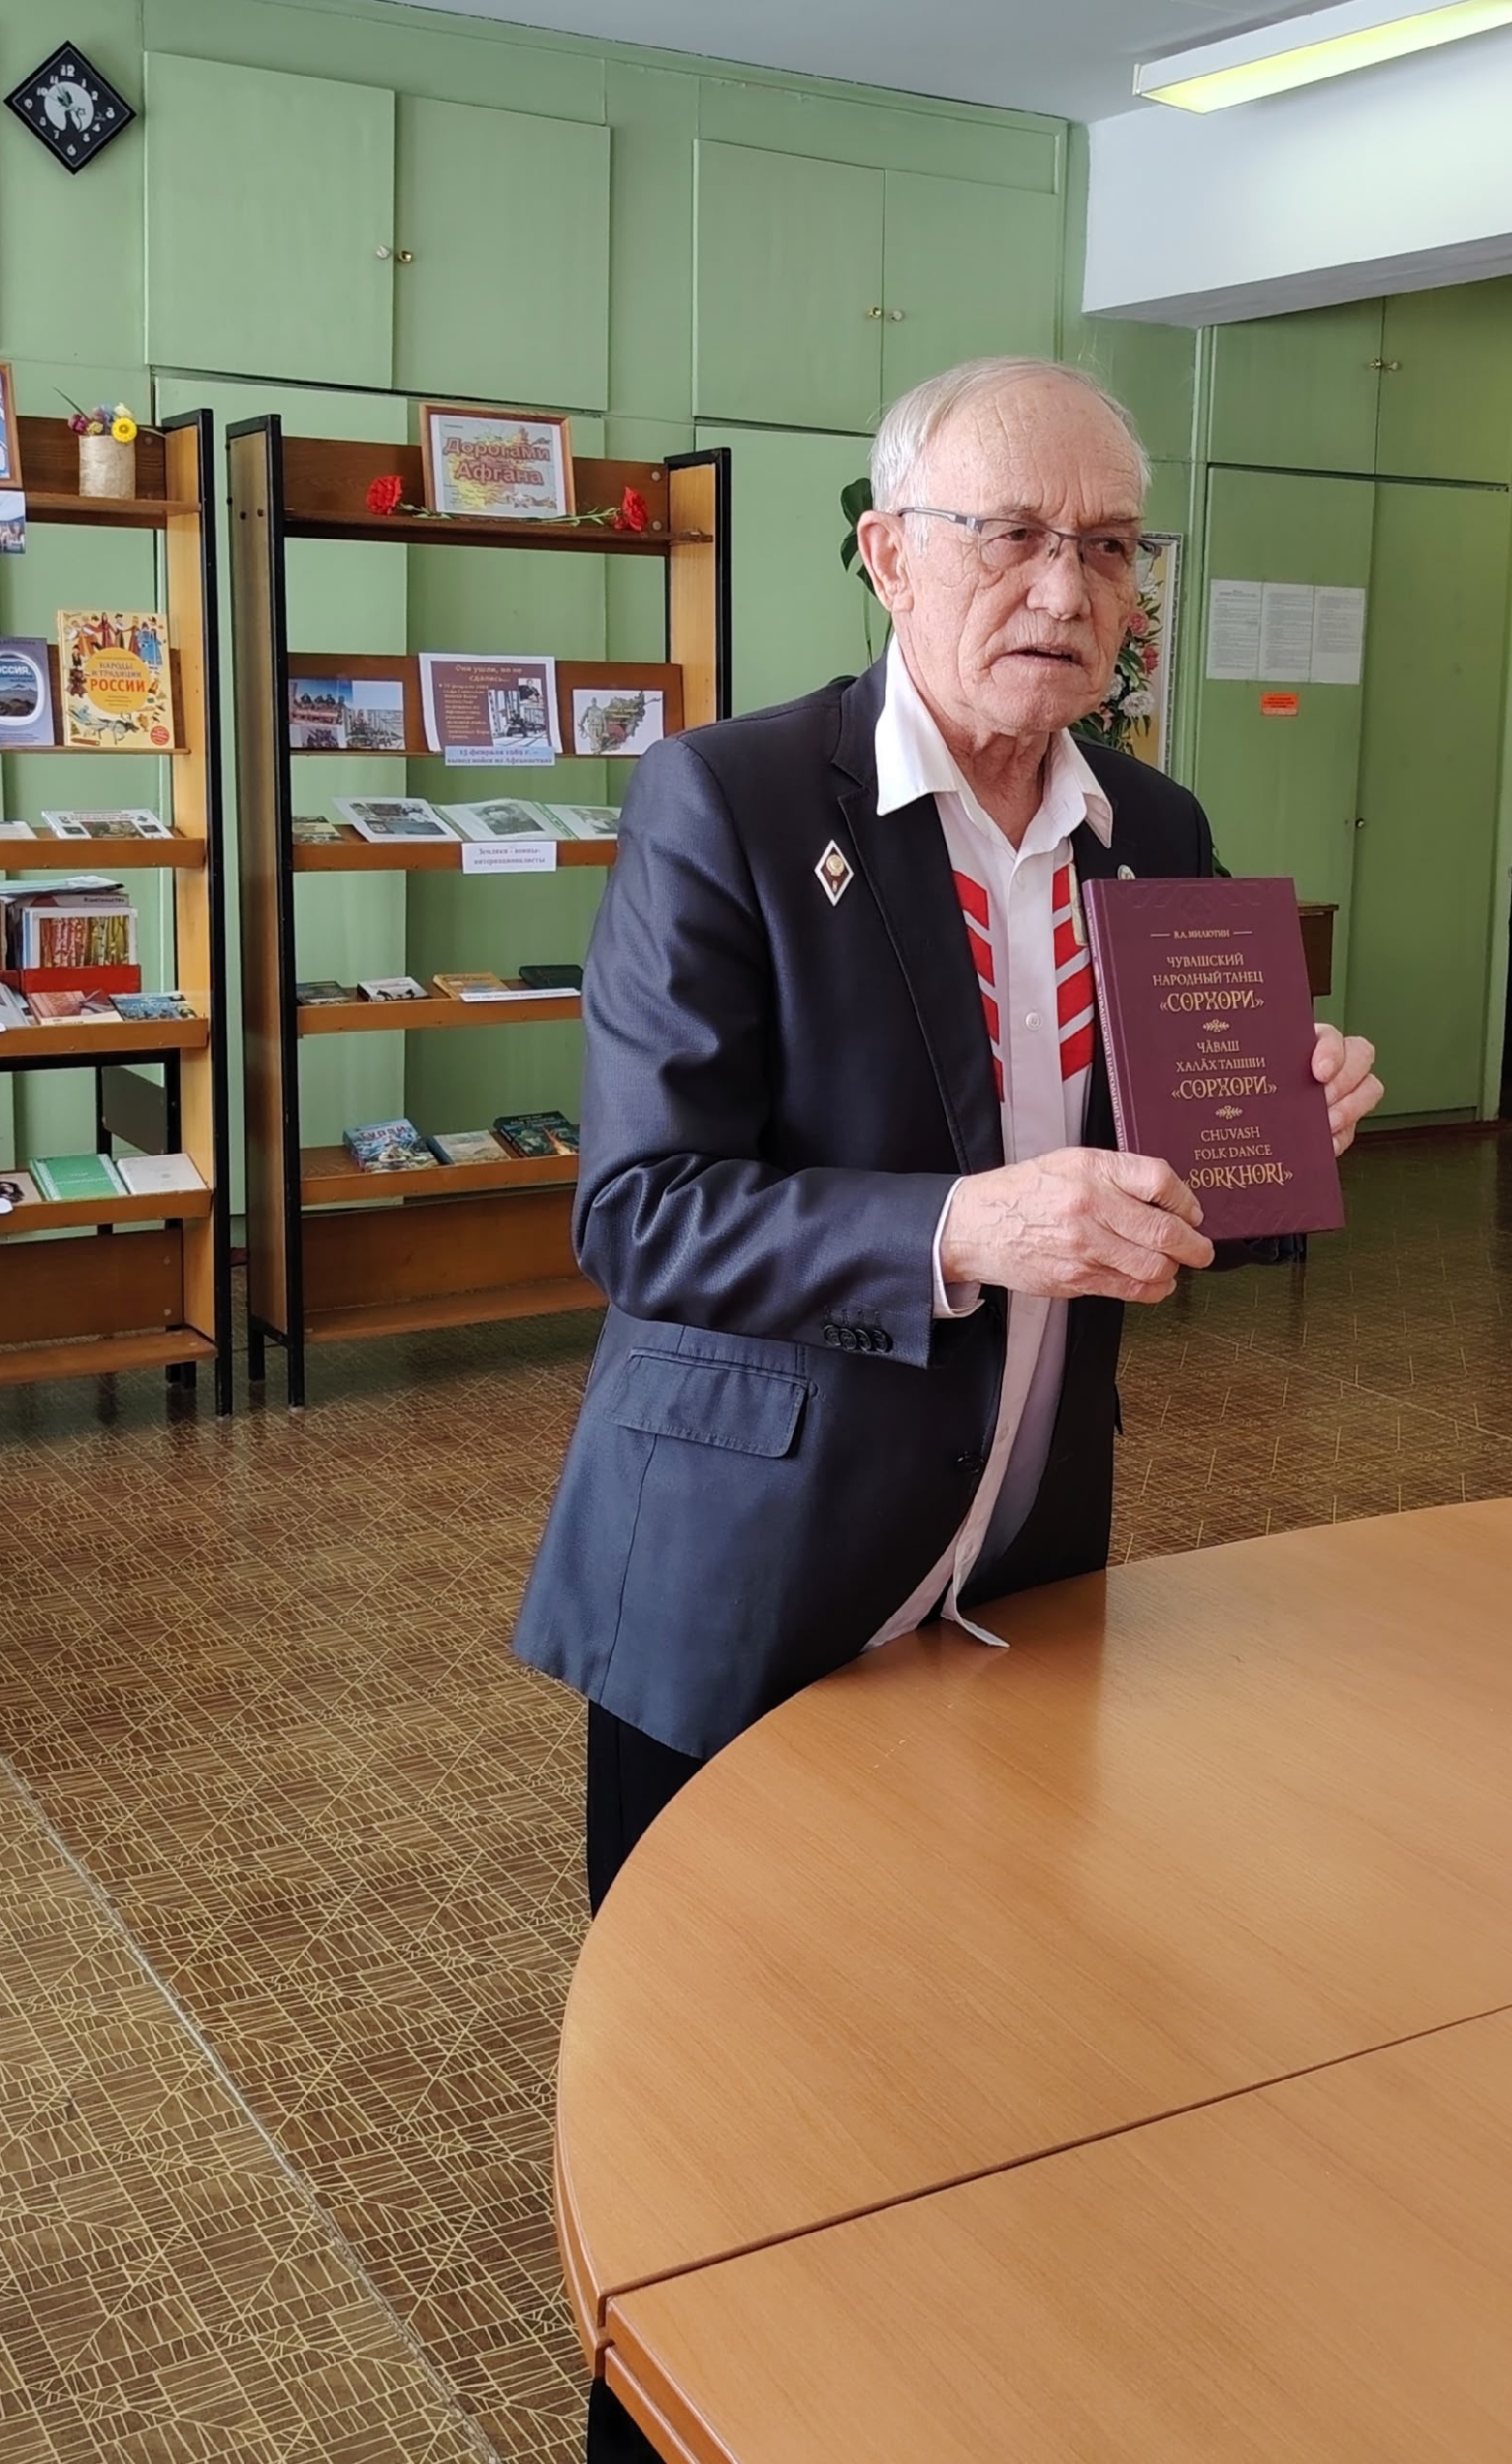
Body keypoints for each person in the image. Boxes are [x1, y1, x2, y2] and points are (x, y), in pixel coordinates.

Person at [509, 357, 1383, 2464]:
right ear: (888, 554)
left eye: (1111, 547)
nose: (1064, 589)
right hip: (746, 1574)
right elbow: (639, 1210)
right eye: (1011, 534)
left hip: (1023, 1563)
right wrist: (963, 1223)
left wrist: (1288, 1137)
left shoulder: (1154, 826)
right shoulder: (728, 800)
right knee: (714, 2113)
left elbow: (1185, 1205)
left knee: (967, 2066)